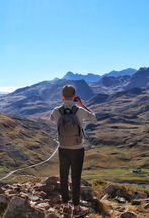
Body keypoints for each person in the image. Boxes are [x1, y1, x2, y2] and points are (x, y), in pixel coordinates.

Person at [50, 85, 97, 216]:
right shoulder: (79, 111)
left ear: (62, 97)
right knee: (76, 178)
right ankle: (76, 207)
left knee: (63, 177)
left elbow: (51, 119)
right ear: (75, 95)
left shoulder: (56, 111)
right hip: (78, 149)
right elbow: (94, 117)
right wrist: (82, 105)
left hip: (63, 148)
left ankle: (65, 205)